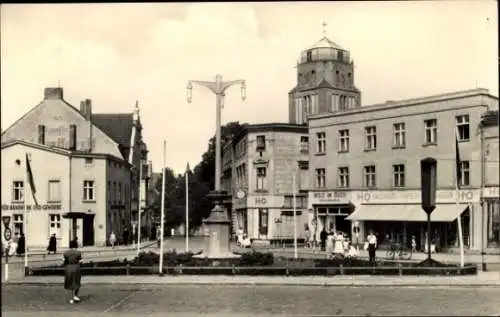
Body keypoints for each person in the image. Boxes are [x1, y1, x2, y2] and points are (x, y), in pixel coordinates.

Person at [63, 239, 82, 304]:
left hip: (68, 268)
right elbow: (80, 260)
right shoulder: (78, 252)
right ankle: (76, 295)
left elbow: (64, 261)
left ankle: (71, 298)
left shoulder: (66, 253)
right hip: (76, 267)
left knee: (70, 283)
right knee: (77, 282)